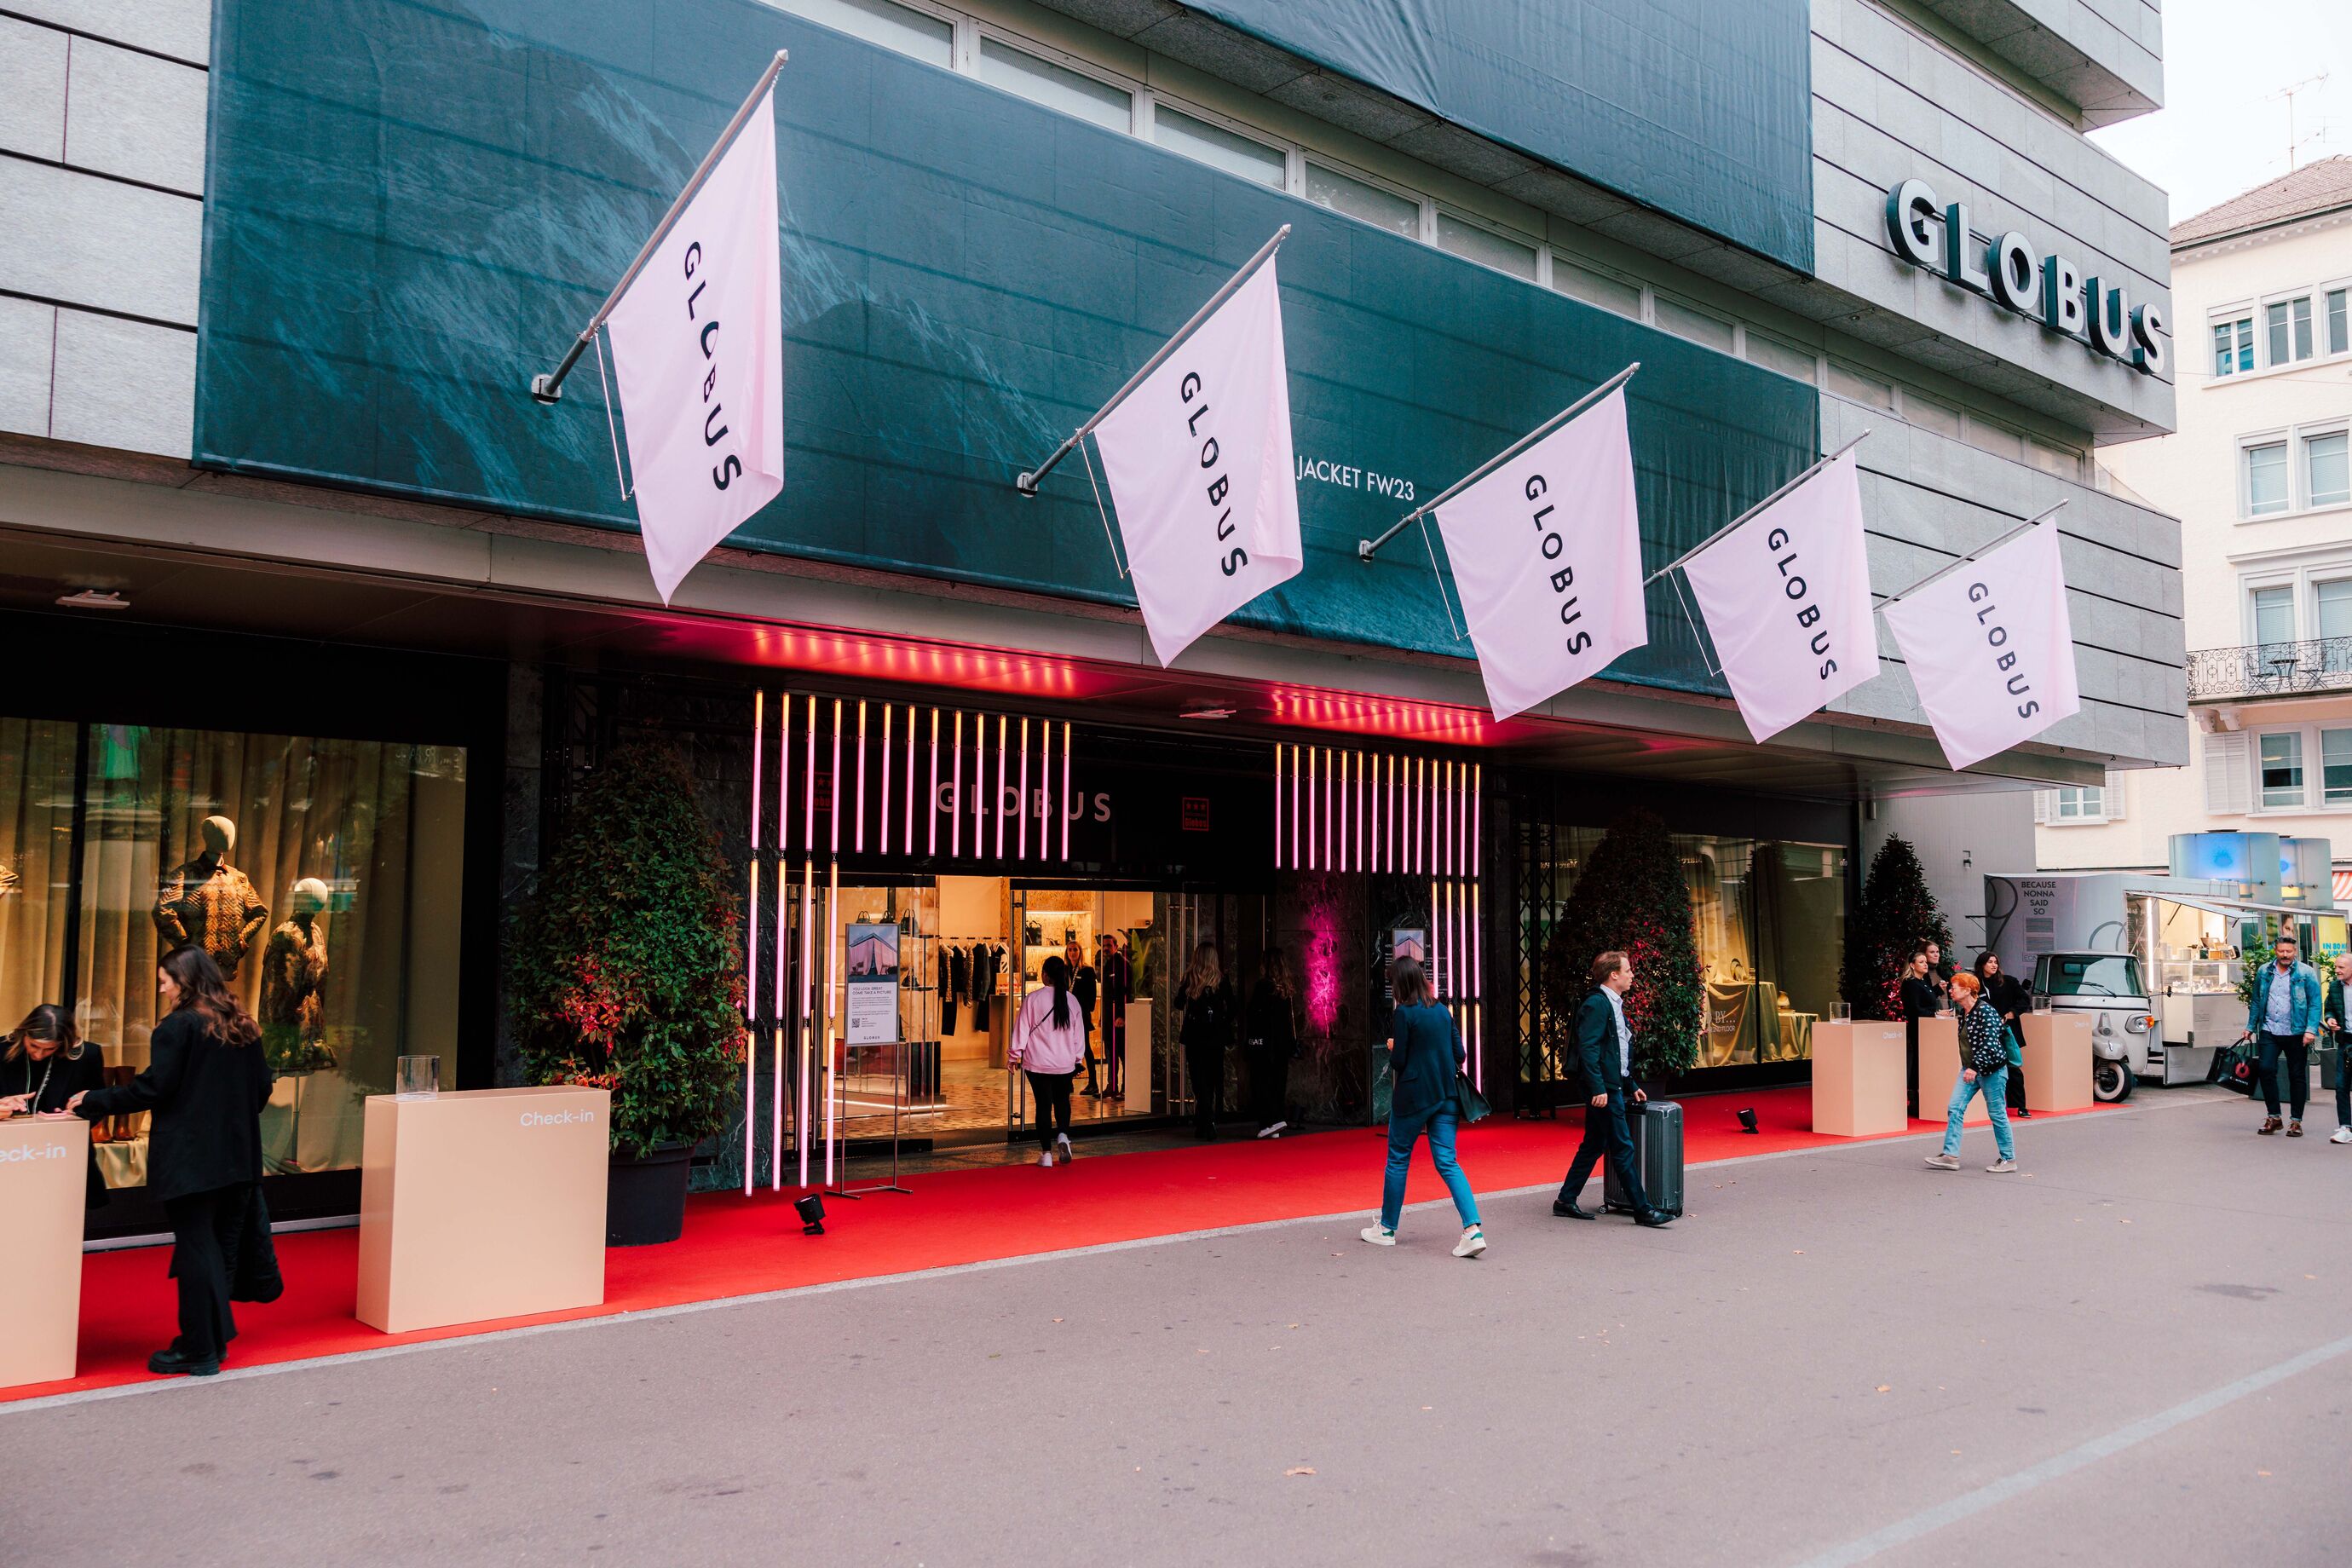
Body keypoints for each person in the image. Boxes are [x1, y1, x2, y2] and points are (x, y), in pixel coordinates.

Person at [67, 947, 274, 1375]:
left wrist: (92, 1099)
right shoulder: (244, 1025)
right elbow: (261, 1092)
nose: (162, 990)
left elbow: (152, 1089)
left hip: (190, 1159)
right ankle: (209, 1342)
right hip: (237, 1156)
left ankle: (199, 1349)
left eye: (165, 981)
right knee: (212, 1248)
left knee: (197, 1249)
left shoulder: (178, 1026)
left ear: (186, 980)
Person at [1361, 957, 1484, 1256]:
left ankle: (1388, 1228)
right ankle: (1472, 1229)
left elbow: (1399, 1061)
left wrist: (1393, 1046)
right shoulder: (1442, 1011)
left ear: (1399, 984)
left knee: (1398, 1158)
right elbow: (1461, 1053)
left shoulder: (1404, 1013)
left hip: (1414, 1096)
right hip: (1447, 1094)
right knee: (1447, 1161)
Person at [1553, 950, 1674, 1228]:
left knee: (1594, 1144)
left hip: (1612, 1086)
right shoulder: (1598, 1004)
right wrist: (1599, 1088)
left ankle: (1565, 1200)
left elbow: (1614, 1051)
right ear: (1614, 974)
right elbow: (1589, 1049)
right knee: (1622, 1146)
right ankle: (1642, 1209)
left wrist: (1630, 1083)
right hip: (1605, 1089)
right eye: (1628, 970)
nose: (1632, 975)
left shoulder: (1612, 1003)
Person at [2, 1003, 110, 1208]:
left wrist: (74, 1114)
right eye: (33, 1046)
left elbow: (96, 1104)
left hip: (62, 1154)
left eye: (49, 1049)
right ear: (24, 1034)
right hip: (10, 1154)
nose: (39, 1054)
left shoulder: (87, 1056)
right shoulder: (2, 1050)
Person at [1923, 971, 2016, 1173]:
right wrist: (1971, 1067)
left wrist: (1975, 1067)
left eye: (1954, 987)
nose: (1951, 990)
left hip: (1991, 1070)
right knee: (1955, 1108)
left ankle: (2009, 1158)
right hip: (1970, 1069)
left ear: (1967, 990)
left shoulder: (1986, 1011)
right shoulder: (1963, 1013)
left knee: (1998, 1114)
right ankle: (1950, 1156)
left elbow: (1991, 1044)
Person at [1007, 954, 1087, 1167]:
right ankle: (1062, 1135)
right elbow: (1079, 1035)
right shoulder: (1071, 1000)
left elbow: (1022, 1028)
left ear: (1044, 975)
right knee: (1062, 1101)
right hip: (1064, 1063)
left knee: (1043, 1106)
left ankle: (1046, 1154)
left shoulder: (1033, 999)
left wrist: (1014, 1055)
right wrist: (1077, 1058)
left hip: (1038, 1063)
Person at [2246, 932, 2320, 1137]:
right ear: (2275, 951)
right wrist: (2250, 1026)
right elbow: (2256, 1000)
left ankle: (2296, 1122)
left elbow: (2315, 1003)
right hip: (2270, 1029)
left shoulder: (2306, 973)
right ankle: (2274, 1117)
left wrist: (2310, 1029)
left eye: (2289, 951)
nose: (2285, 955)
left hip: (2296, 1032)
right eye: (2281, 951)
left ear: (2295, 951)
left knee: (2296, 1075)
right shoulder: (2264, 971)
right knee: (2266, 1069)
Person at [1177, 942, 1236, 1140]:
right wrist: (1222, 1019)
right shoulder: (1221, 980)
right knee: (1211, 1079)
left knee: (1198, 1079)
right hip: (1215, 1037)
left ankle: (1206, 1120)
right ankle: (1207, 1121)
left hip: (1195, 1036)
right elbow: (1233, 1007)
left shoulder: (1190, 978)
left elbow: (1178, 1004)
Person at [1245, 949, 1301, 1138]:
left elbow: (1254, 1015)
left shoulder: (1263, 987)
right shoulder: (1285, 989)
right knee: (1277, 1082)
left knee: (1261, 1083)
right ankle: (1276, 1120)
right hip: (1282, 1045)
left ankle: (1269, 1122)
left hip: (1264, 1044)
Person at [1973, 951, 2031, 1119]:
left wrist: (2011, 1013)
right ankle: (1996, 1105)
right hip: (1987, 1033)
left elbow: (2024, 1000)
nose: (1993, 965)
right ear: (1982, 964)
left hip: (2008, 1031)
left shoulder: (2009, 981)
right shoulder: (1976, 984)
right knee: (1990, 1069)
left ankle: (2021, 1106)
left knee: (2014, 1069)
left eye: (1995, 962)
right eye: (1990, 962)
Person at [1900, 948, 1940, 1119]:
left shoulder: (1923, 981)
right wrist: (1935, 1014)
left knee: (1924, 1061)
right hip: (1919, 1028)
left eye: (1926, 962)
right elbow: (1915, 1008)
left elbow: (1928, 1001)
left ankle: (1924, 1097)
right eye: (1921, 962)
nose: (1925, 964)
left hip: (1928, 1028)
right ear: (1912, 965)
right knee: (1918, 1062)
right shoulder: (1910, 983)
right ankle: (1915, 1100)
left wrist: (1938, 990)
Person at [2326, 953, 2352, 1145]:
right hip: (2345, 1041)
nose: (2337, 970)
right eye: (2336, 967)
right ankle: (2345, 1127)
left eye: (2341, 967)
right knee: (2341, 1085)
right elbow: (2329, 1008)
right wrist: (2330, 1019)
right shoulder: (2335, 987)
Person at [1071, 954, 1103, 1099]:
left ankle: (1093, 1082)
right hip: (1067, 1014)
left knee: (1085, 1047)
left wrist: (1088, 1009)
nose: (1072, 953)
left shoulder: (1087, 971)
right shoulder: (1065, 970)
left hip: (1081, 1014)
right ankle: (1067, 1082)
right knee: (1068, 1047)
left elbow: (1091, 992)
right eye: (1070, 950)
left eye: (1075, 950)